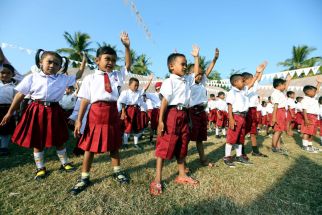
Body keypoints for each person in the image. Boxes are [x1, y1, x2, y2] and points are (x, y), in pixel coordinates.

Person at [0, 49, 85, 179]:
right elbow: (19, 95)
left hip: (55, 110)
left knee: (59, 139)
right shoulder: (32, 77)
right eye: (49, 62)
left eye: (56, 64)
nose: (52, 65)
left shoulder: (63, 78)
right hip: (36, 110)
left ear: (60, 67)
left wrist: (83, 61)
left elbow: (78, 75)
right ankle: (40, 168)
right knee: (37, 140)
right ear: (41, 63)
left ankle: (65, 163)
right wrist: (9, 113)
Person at [71, 32, 131, 195]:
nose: (110, 63)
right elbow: (84, 100)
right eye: (107, 59)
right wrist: (78, 120)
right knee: (89, 146)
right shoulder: (90, 78)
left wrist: (127, 47)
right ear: (97, 61)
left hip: (112, 112)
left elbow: (128, 65)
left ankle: (117, 171)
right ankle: (84, 177)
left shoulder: (118, 76)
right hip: (96, 114)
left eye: (113, 60)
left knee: (114, 145)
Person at [149, 46, 200, 196]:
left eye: (186, 64)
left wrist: (196, 57)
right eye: (182, 64)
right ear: (172, 66)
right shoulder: (169, 81)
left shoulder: (186, 80)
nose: (185, 66)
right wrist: (161, 121)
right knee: (165, 145)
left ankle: (182, 174)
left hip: (184, 114)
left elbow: (196, 72)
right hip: (172, 113)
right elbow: (164, 102)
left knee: (182, 145)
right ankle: (157, 178)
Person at [223, 61, 266, 167]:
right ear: (235, 83)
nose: (244, 83)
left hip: (243, 116)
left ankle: (239, 156)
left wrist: (257, 73)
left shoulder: (243, 91)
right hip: (236, 116)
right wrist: (231, 119)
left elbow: (252, 83)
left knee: (240, 137)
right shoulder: (231, 92)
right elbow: (229, 106)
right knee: (231, 138)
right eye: (242, 81)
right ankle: (227, 157)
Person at [188, 48, 219, 167]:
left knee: (200, 139)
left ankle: (203, 159)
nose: (200, 76)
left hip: (202, 113)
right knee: (186, 138)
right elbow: (195, 72)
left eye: (201, 74)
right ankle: (183, 162)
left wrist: (215, 59)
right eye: (197, 74)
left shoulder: (202, 83)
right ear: (190, 75)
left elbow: (208, 70)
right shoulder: (189, 83)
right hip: (192, 112)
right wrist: (196, 57)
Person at [119, 75, 153, 150]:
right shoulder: (125, 92)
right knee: (127, 127)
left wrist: (150, 80)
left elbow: (145, 88)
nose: (136, 87)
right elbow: (123, 103)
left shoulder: (138, 92)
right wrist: (123, 112)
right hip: (129, 110)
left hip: (137, 110)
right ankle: (125, 144)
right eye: (135, 85)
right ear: (129, 85)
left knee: (137, 127)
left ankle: (136, 143)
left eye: (137, 85)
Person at [243, 71, 267, 157]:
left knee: (253, 131)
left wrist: (261, 70)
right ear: (245, 80)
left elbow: (258, 79)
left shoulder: (254, 86)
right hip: (246, 111)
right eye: (251, 78)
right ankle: (241, 151)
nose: (254, 79)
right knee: (243, 131)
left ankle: (255, 151)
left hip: (253, 110)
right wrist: (257, 73)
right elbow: (256, 79)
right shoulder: (244, 89)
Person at [271, 75, 292, 153]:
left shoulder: (279, 92)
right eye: (283, 84)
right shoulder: (275, 94)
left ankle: (278, 147)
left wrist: (288, 80)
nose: (285, 86)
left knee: (280, 130)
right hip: (278, 112)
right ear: (279, 86)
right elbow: (275, 106)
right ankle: (274, 147)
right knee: (278, 130)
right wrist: (274, 117)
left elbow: (285, 88)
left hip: (282, 111)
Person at [300, 77, 322, 152]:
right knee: (306, 131)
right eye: (314, 91)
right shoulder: (305, 99)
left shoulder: (312, 97)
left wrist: (319, 83)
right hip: (309, 116)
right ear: (308, 92)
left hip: (314, 117)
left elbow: (317, 90)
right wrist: (306, 119)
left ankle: (310, 145)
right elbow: (304, 110)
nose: (315, 92)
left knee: (312, 132)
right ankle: (305, 146)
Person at [0, 64, 16, 156]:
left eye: (8, 73)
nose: (5, 75)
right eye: (2, 73)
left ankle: (4, 148)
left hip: (8, 110)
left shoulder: (14, 87)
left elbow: (15, 100)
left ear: (12, 74)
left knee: (6, 130)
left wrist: (14, 112)